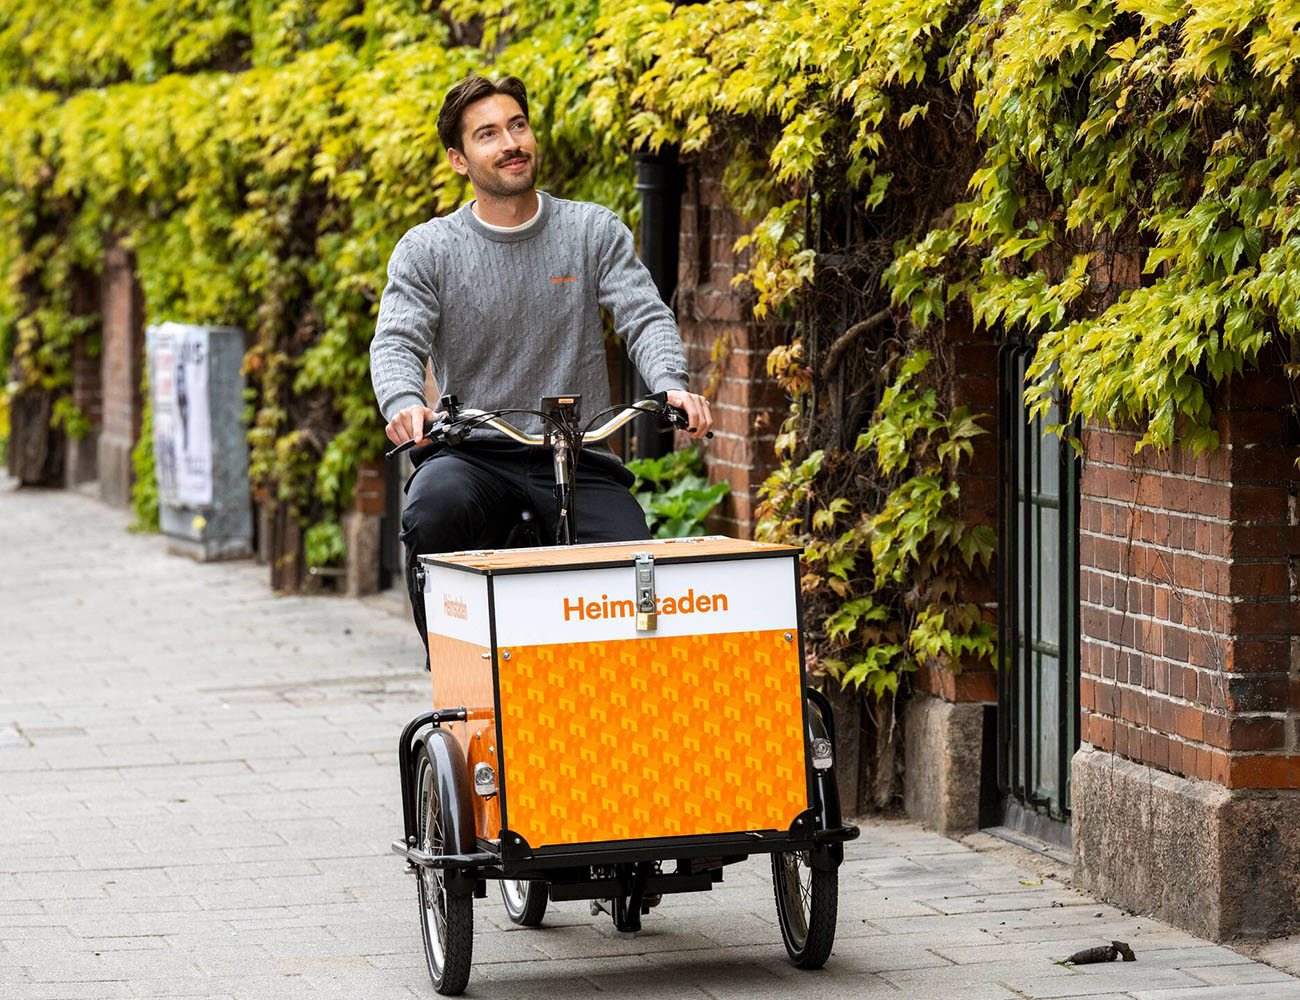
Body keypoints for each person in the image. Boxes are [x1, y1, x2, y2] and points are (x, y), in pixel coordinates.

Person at [370, 74, 713, 661]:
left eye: (518, 125)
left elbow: (644, 316)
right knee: (433, 509)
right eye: (488, 134)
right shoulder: (429, 248)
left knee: (634, 560)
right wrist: (404, 400)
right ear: (459, 159)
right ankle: (454, 669)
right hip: (474, 450)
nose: (510, 142)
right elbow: (397, 339)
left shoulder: (591, 230)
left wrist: (670, 385)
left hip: (577, 450)